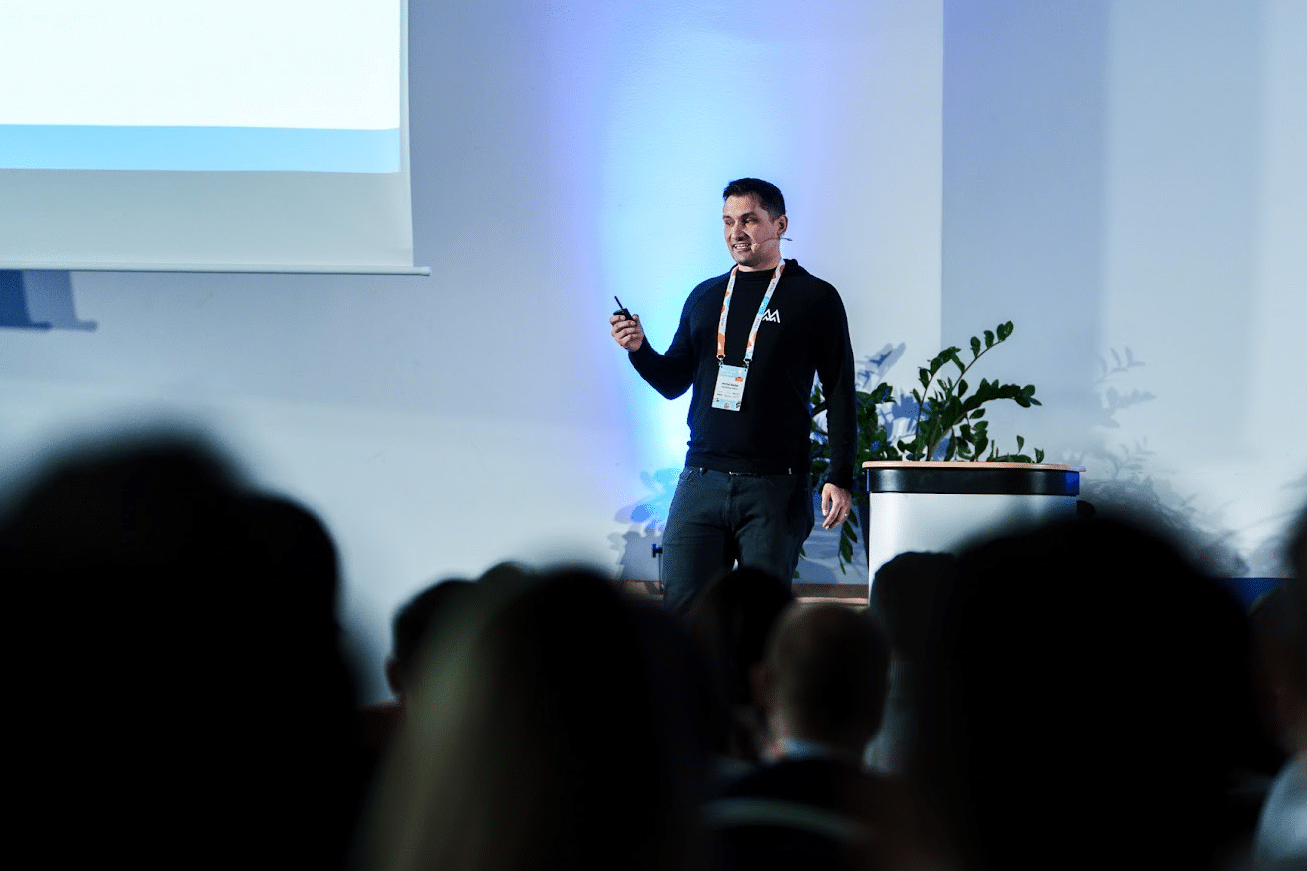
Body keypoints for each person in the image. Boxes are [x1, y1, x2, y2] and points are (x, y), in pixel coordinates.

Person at [610, 178, 857, 612]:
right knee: (685, 616)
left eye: (749, 220)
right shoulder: (706, 297)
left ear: (780, 225)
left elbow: (839, 389)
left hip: (774, 486)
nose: (736, 232)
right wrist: (639, 349)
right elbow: (672, 382)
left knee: (761, 620)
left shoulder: (814, 298)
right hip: (701, 480)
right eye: (727, 222)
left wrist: (839, 474)